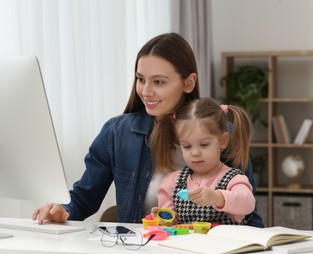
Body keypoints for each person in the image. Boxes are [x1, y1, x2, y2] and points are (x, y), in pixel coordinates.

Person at [32, 32, 264, 227]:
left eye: (159, 82)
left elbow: (247, 212)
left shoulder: (225, 133)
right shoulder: (116, 133)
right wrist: (61, 210)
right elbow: (83, 200)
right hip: (147, 249)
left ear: (189, 82)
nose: (145, 91)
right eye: (141, 79)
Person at [153, 97, 255, 224]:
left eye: (204, 144)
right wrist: (164, 218)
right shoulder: (171, 182)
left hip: (224, 243)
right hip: (185, 244)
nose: (195, 153)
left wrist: (217, 197)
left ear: (223, 141)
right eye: (187, 146)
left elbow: (248, 204)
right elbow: (173, 224)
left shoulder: (234, 179)